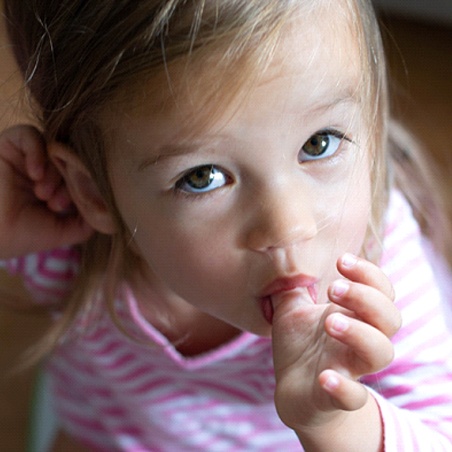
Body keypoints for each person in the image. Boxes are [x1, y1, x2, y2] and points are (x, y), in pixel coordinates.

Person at [1, 0, 452, 450]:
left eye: (320, 142)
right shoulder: (58, 240)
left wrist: (334, 423)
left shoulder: (374, 277)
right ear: (93, 193)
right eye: (203, 177)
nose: (288, 227)